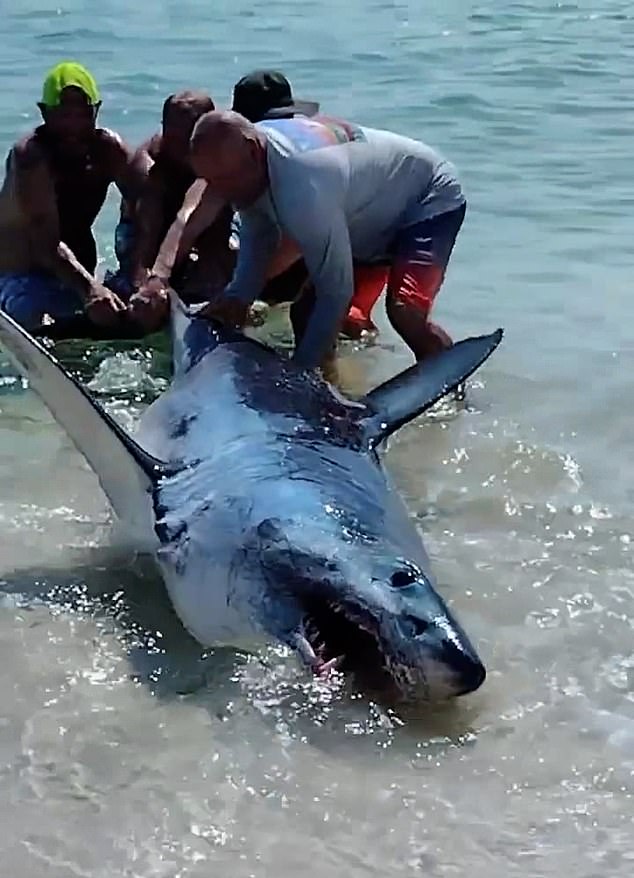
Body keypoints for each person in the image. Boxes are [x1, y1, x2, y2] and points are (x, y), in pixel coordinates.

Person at [188, 109, 466, 373]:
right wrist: (237, 296)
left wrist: (299, 372)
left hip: (427, 197)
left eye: (224, 180)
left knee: (405, 314)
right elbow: (260, 233)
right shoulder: (248, 160)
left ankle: (453, 392)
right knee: (307, 315)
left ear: (252, 150)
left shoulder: (303, 186)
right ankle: (333, 394)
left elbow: (335, 292)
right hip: (366, 214)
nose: (221, 192)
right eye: (211, 181)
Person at [230, 70, 387, 339]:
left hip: (360, 249)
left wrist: (241, 293)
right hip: (366, 241)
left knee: (330, 317)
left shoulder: (307, 163)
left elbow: (299, 240)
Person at [0, 61, 149, 332]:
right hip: (21, 275)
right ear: (44, 113)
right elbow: (44, 239)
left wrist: (144, 277)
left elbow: (150, 201)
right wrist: (90, 289)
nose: (73, 126)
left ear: (97, 110)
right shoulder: (30, 158)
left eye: (82, 114)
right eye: (63, 115)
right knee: (36, 319)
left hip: (78, 275)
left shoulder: (108, 149)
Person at [115, 91, 236, 332]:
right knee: (140, 288)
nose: (180, 147)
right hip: (143, 231)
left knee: (220, 270)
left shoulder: (220, 155)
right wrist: (146, 286)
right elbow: (147, 236)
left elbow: (216, 226)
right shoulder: (148, 165)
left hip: (199, 227)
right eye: (173, 136)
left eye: (189, 138)